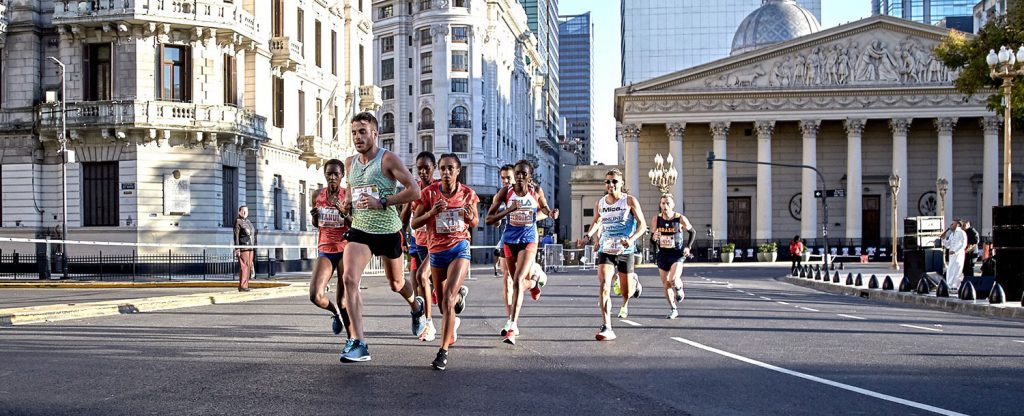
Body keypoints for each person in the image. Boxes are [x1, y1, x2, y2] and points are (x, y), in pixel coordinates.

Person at [338, 112, 424, 363]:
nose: (357, 137)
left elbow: (414, 190)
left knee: (396, 284)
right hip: (361, 230)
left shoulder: (388, 159)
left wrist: (383, 201)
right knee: (349, 278)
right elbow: (352, 190)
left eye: (362, 131)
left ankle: (416, 307)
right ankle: (359, 343)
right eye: (354, 132)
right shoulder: (349, 163)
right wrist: (347, 204)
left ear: (375, 133)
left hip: (388, 230)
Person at [411, 153, 478, 370]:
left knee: (447, 299)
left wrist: (469, 218)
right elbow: (414, 223)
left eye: (451, 168)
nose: (446, 172)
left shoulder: (468, 194)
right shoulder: (429, 193)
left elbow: (475, 221)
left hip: (459, 247)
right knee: (442, 303)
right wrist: (432, 212)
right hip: (437, 251)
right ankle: (459, 297)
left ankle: (443, 352)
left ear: (458, 171)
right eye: (443, 168)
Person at [485, 159, 558, 345]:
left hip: (528, 239)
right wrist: (507, 211)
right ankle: (534, 281)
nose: (519, 177)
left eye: (523, 174)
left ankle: (512, 325)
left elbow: (545, 208)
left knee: (516, 280)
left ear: (529, 176)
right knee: (512, 280)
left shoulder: (536, 191)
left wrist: (551, 213)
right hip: (509, 240)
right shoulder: (505, 192)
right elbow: (489, 219)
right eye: (517, 173)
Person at [576, 169, 647, 341]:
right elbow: (596, 222)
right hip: (606, 250)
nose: (611, 185)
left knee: (626, 291)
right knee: (604, 286)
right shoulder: (600, 203)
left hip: (625, 250)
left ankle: (633, 283)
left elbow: (642, 225)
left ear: (622, 183)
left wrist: (631, 239)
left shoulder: (629, 201)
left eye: (614, 181)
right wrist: (587, 237)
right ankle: (607, 326)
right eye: (608, 182)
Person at [309, 159, 353, 342]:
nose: (333, 177)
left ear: (342, 176)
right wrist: (314, 217)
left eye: (336, 174)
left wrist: (343, 213)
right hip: (325, 248)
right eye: (329, 174)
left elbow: (355, 225)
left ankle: (352, 340)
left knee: (344, 301)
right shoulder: (317, 195)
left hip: (344, 248)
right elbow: (315, 224)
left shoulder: (347, 196)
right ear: (325, 175)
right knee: (315, 295)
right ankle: (333, 312)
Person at [400, 151, 439, 341]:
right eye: (419, 168)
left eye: (426, 168)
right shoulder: (413, 190)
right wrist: (402, 238)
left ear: (434, 169)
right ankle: (424, 323)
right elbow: (404, 217)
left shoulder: (438, 189)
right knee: (416, 285)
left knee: (436, 287)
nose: (423, 172)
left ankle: (456, 300)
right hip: (416, 244)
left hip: (435, 245)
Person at [650, 194, 694, 319]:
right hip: (663, 253)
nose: (665, 206)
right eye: (663, 203)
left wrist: (688, 247)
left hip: (677, 253)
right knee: (666, 284)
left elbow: (692, 232)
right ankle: (673, 309)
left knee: (673, 280)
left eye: (668, 203)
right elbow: (652, 239)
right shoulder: (656, 219)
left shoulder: (680, 218)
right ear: (660, 205)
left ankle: (679, 288)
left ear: (673, 205)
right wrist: (654, 238)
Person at [233, 205, 256, 292]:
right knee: (244, 267)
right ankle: (242, 285)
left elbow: (252, 234)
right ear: (239, 212)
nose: (245, 213)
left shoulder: (249, 222)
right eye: (243, 211)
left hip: (251, 247)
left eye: (246, 211)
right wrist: (237, 248)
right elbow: (236, 236)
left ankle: (246, 285)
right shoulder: (238, 221)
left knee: (249, 266)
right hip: (243, 247)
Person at [940, 219, 967, 289]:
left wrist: (955, 251)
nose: (951, 225)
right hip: (952, 256)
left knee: (957, 270)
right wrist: (943, 239)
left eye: (953, 224)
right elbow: (948, 245)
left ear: (957, 225)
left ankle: (956, 286)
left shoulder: (962, 233)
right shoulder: (952, 234)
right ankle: (949, 285)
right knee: (950, 270)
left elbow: (963, 245)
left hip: (958, 255)